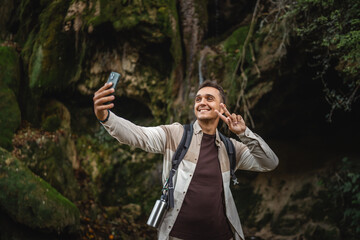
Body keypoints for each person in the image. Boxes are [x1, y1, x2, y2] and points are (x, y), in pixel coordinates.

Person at [93, 80, 279, 240]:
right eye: (198, 99)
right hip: (177, 235)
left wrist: (244, 134)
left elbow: (270, 162)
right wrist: (106, 117)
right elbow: (137, 135)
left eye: (209, 98)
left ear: (222, 107)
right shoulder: (176, 134)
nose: (202, 102)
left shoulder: (231, 148)